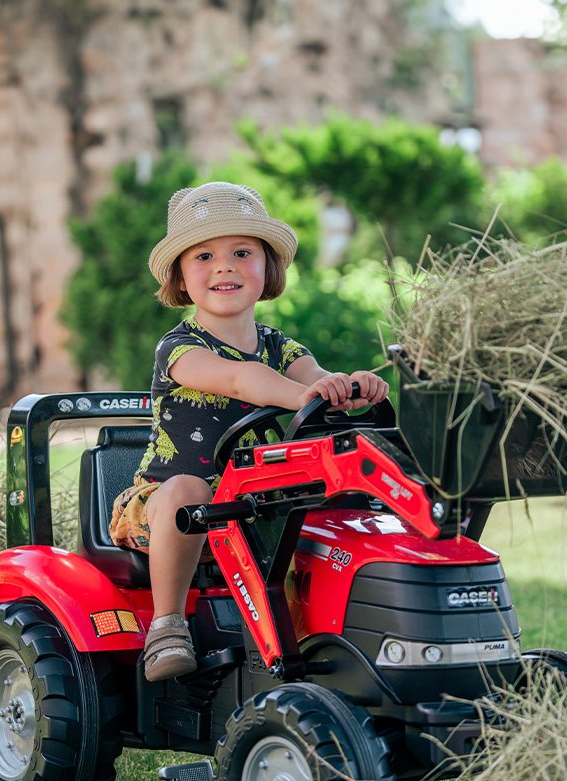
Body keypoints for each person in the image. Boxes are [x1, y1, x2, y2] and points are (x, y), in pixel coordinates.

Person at [110, 181, 389, 681]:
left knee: (326, 492)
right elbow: (244, 379)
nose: (225, 266)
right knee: (188, 491)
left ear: (268, 268)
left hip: (251, 499)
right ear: (180, 276)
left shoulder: (279, 346)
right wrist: (300, 395)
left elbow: (314, 378)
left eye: (243, 252)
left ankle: (333, 629)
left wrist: (351, 386)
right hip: (163, 503)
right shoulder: (179, 349)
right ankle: (168, 626)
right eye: (204, 256)